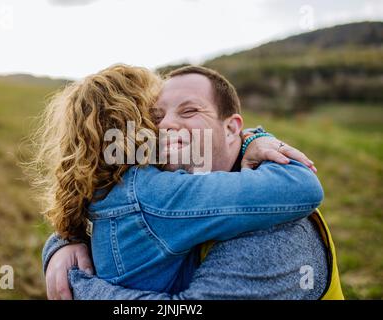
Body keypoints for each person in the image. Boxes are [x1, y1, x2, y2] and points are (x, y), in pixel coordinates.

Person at [40, 65, 343, 299]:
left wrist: (82, 288)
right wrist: (64, 244)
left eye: (189, 110)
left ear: (231, 127)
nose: (167, 124)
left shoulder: (276, 231)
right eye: (155, 117)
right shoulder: (159, 189)